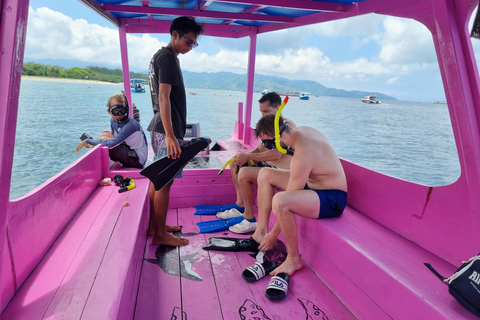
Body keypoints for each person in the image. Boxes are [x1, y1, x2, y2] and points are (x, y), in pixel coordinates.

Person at [251, 114, 348, 277]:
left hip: (332, 198)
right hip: (314, 185)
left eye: (269, 143)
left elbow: (288, 198)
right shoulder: (300, 131)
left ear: (281, 136)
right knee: (265, 173)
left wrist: (274, 235)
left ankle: (294, 258)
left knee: (280, 201)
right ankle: (261, 232)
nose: (269, 148)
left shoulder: (303, 150)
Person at [147, 16, 203, 247]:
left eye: (194, 44)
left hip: (162, 128)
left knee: (158, 180)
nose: (190, 47)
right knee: (165, 182)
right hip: (165, 131)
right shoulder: (168, 58)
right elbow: (163, 97)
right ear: (174, 34)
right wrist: (171, 135)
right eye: (188, 42)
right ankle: (160, 234)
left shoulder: (162, 57)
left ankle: (155, 226)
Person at [217, 92, 295, 234]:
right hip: (269, 166)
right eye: (261, 112)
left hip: (283, 171)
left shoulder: (287, 126)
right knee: (235, 164)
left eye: (266, 111)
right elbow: (259, 149)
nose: (263, 115)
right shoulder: (268, 125)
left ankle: (250, 218)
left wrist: (248, 157)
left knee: (245, 173)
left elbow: (278, 153)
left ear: (278, 108)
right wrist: (244, 156)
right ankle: (241, 204)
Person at [76, 93, 148, 169]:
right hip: (129, 150)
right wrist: (103, 137)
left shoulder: (131, 125)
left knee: (106, 144)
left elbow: (111, 144)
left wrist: (89, 141)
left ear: (126, 110)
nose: (120, 114)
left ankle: (93, 155)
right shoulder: (113, 121)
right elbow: (113, 136)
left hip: (137, 159)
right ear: (109, 111)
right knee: (105, 135)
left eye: (122, 110)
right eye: (116, 110)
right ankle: (93, 146)